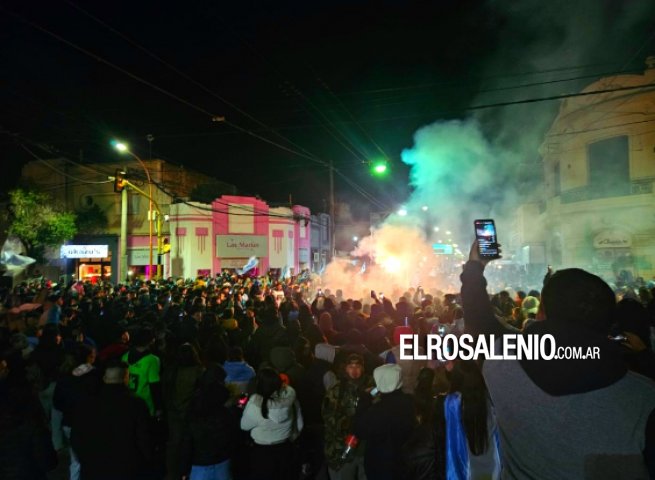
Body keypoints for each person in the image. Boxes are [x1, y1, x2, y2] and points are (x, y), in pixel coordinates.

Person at [462, 239, 655, 478]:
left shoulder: (504, 363)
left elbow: (479, 320)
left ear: (542, 313)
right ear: (609, 323)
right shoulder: (644, 397)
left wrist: (475, 267)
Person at [71, 360, 152, 480]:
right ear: (126, 378)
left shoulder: (89, 402)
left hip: (93, 466)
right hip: (125, 467)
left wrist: (85, 458)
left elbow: (76, 435)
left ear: (104, 378)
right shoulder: (136, 404)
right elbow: (143, 437)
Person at [354, 364, 416, 480]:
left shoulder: (378, 411)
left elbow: (359, 430)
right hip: (405, 463)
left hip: (381, 467)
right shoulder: (409, 403)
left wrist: (364, 401)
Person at [240, 367, 303, 480]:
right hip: (285, 450)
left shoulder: (255, 405)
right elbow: (300, 425)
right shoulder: (291, 399)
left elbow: (244, 426)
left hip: (262, 454)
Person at [180, 372, 238, 480]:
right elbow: (233, 439)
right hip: (222, 463)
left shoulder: (193, 415)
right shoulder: (227, 414)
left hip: (200, 465)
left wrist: (184, 469)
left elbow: (187, 445)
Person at [322, 353, 371, 479]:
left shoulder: (372, 387)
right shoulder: (336, 389)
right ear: (345, 368)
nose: (354, 370)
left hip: (366, 449)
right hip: (343, 448)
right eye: (351, 366)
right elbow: (328, 417)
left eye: (358, 366)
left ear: (363, 368)